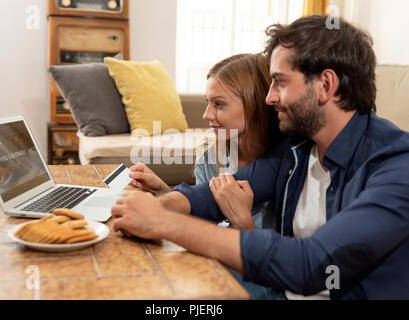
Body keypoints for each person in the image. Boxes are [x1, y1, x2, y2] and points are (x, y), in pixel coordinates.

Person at [111, 15, 409, 300]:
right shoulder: (299, 149)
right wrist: (142, 209)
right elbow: (213, 194)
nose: (269, 98)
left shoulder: (395, 165)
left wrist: (162, 222)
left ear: (326, 85)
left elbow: (313, 262)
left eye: (279, 82)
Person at [127, 53, 285, 299]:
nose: (206, 114)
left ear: (255, 106)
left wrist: (244, 225)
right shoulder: (211, 157)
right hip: (214, 267)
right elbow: (204, 226)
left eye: (219, 104)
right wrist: (165, 193)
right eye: (208, 102)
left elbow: (281, 271)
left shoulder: (286, 168)